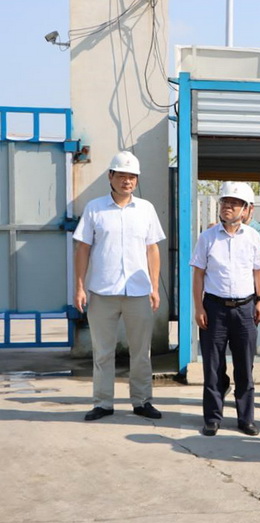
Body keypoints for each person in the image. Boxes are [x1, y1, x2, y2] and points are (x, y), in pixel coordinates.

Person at [73, 151, 166, 422]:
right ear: (110, 176)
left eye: (132, 176)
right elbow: (83, 249)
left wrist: (154, 288)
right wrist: (79, 287)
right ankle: (103, 403)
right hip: (102, 292)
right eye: (122, 175)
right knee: (103, 352)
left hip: (138, 291)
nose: (127, 181)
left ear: (137, 180)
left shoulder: (146, 209)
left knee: (141, 352)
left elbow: (152, 249)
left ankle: (142, 401)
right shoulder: (95, 209)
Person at [191, 181, 260, 437]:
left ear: (245, 209)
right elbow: (199, 275)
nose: (228, 207)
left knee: (245, 367)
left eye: (234, 204)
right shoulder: (207, 237)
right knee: (213, 367)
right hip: (214, 309)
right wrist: (199, 307)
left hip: (245, 309)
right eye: (225, 202)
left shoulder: (253, 237)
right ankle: (212, 418)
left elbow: (259, 271)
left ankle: (246, 419)